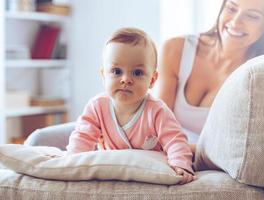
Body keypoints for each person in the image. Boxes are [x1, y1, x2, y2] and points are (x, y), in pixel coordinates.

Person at [66, 27, 196, 184]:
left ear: (152, 80)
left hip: (148, 172)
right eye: (116, 71)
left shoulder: (157, 111)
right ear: (103, 76)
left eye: (137, 73)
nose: (126, 79)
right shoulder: (97, 107)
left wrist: (181, 165)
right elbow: (82, 137)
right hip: (113, 171)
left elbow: (175, 140)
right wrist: (70, 164)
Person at [156, 0, 264, 152]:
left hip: (205, 163)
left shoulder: (258, 79)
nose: (236, 22)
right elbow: (157, 125)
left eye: (252, 16)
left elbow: (235, 148)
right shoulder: (175, 49)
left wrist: (180, 150)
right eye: (231, 8)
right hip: (166, 155)